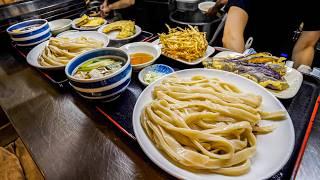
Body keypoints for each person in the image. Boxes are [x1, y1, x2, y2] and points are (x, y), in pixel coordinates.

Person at [222, 0, 320, 70]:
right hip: (244, 50)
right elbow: (232, 36)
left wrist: (301, 74)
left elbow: (305, 46)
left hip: (280, 60)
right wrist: (241, 69)